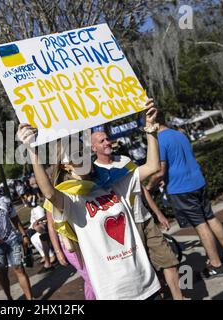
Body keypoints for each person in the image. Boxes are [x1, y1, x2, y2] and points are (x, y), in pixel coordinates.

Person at [17, 99, 163, 300]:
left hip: (146, 282)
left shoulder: (113, 182)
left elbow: (153, 166)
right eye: (76, 155)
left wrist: (150, 129)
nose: (83, 157)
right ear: (66, 165)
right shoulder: (69, 199)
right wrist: (32, 150)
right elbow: (50, 193)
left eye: (84, 151)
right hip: (114, 293)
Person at [147, 113, 223, 279]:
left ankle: (216, 265)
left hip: (182, 188)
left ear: (154, 123)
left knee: (200, 225)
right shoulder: (179, 134)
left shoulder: (160, 140)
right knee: (210, 218)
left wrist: (149, 186)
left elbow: (160, 171)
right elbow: (179, 161)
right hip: (197, 181)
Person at [91, 130, 183, 300]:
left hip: (145, 218)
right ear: (93, 147)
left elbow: (139, 187)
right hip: (127, 228)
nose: (107, 142)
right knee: (145, 268)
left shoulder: (124, 160)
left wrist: (158, 213)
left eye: (107, 139)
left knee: (169, 262)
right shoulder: (95, 173)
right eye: (101, 140)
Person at [28, 201, 55, 272]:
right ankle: (47, 259)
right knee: (36, 237)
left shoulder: (38, 208)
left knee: (41, 234)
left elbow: (49, 215)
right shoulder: (34, 209)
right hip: (49, 224)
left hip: (55, 225)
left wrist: (39, 221)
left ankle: (51, 256)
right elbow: (48, 214)